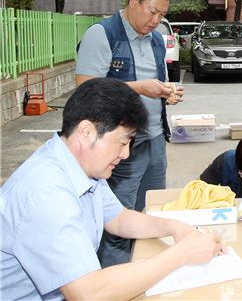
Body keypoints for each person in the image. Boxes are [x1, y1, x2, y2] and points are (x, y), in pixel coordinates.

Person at [0, 78, 223, 301]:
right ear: (86, 132)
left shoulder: (82, 166)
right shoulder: (46, 193)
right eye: (123, 142)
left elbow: (119, 219)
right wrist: (182, 254)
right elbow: (89, 294)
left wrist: (175, 228)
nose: (126, 154)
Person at [75, 0, 183, 267]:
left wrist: (166, 92)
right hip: (120, 147)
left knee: (151, 210)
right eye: (153, 11)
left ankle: (143, 274)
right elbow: (86, 87)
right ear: (134, 1)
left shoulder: (157, 40)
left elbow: (155, 82)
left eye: (162, 15)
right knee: (118, 220)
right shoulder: (103, 34)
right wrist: (141, 87)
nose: (156, 20)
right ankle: (112, 277)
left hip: (155, 139)